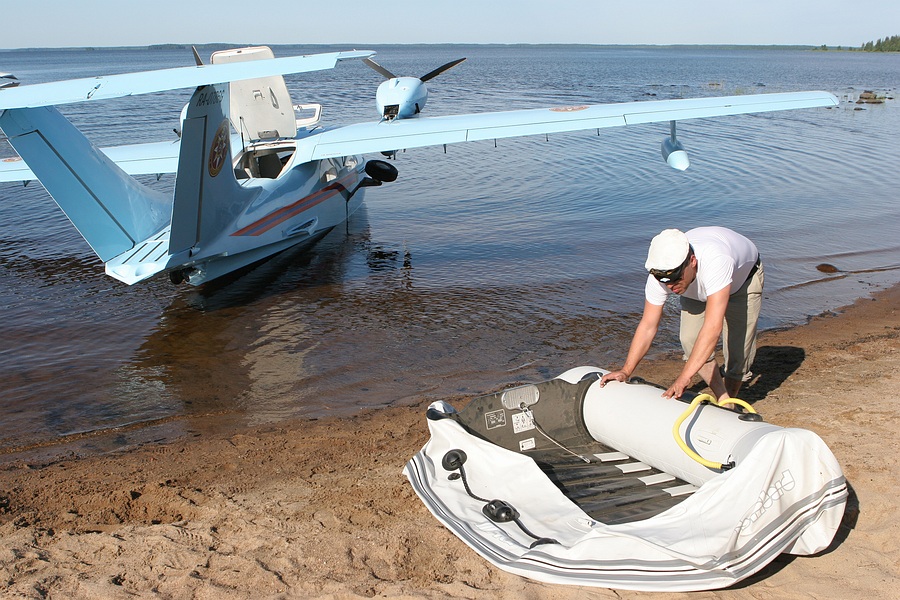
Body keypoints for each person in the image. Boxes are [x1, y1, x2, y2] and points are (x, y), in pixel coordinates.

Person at [600, 227, 763, 402]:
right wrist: (626, 370)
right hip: (695, 286)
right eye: (665, 281)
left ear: (692, 261)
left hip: (743, 281)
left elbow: (712, 329)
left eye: (676, 278)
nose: (671, 286)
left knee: (738, 352)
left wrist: (685, 377)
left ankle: (730, 398)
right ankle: (724, 399)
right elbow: (648, 326)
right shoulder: (662, 274)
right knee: (690, 340)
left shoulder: (716, 260)